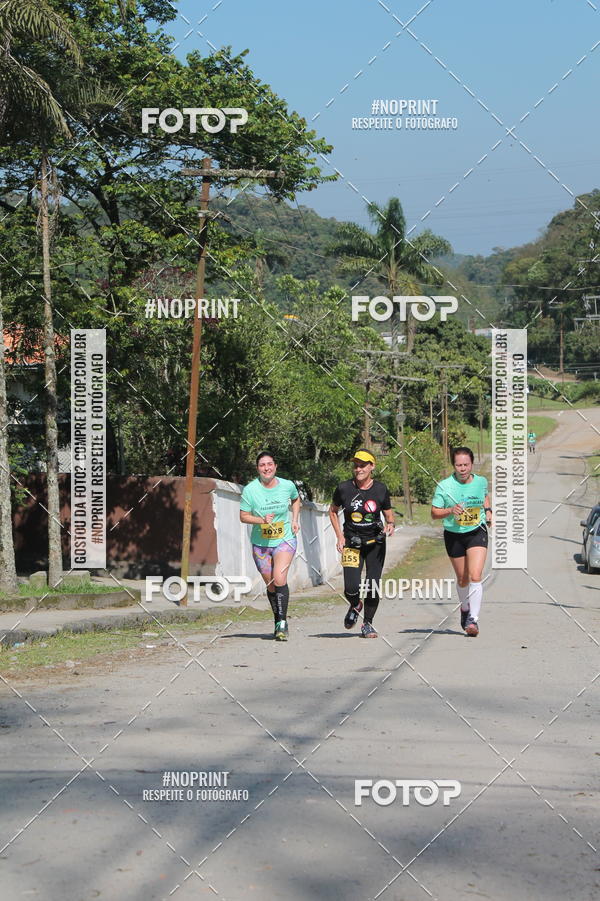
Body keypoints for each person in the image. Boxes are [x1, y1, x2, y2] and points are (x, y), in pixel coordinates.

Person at [329, 449, 395, 638]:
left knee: (372, 585)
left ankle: (367, 624)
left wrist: (389, 526)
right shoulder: (344, 488)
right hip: (352, 542)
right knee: (351, 588)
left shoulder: (381, 489)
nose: (358, 469)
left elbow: (389, 517)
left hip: (375, 543)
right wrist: (340, 536)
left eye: (363, 465)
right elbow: (332, 511)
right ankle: (356, 604)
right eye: (356, 465)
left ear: (372, 466)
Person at [431, 446, 492, 637]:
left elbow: (484, 497)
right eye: (459, 465)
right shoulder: (444, 486)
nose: (463, 468)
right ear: (454, 466)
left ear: (472, 464)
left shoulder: (481, 481)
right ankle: (464, 608)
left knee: (475, 575)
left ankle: (473, 619)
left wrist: (488, 512)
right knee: (463, 578)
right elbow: (434, 513)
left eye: (466, 464)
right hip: (454, 534)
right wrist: (450, 511)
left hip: (477, 531)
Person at [240, 452, 300, 641]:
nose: (266, 468)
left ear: (275, 466)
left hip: (284, 539)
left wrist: (294, 520)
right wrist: (261, 520)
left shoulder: (287, 485)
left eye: (269, 464)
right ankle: (278, 620)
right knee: (271, 584)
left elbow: (296, 499)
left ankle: (282, 623)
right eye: (262, 465)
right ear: (258, 469)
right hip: (261, 544)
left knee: (279, 578)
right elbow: (243, 516)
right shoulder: (250, 490)